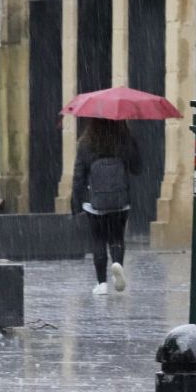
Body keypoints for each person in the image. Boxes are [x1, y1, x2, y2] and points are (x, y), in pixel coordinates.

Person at [70, 118, 140, 296]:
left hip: (95, 202)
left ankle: (101, 284)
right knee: (117, 237)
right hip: (120, 200)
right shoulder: (122, 139)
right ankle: (118, 264)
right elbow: (137, 168)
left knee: (98, 239)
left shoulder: (86, 142)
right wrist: (131, 141)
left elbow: (79, 176)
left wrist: (76, 204)